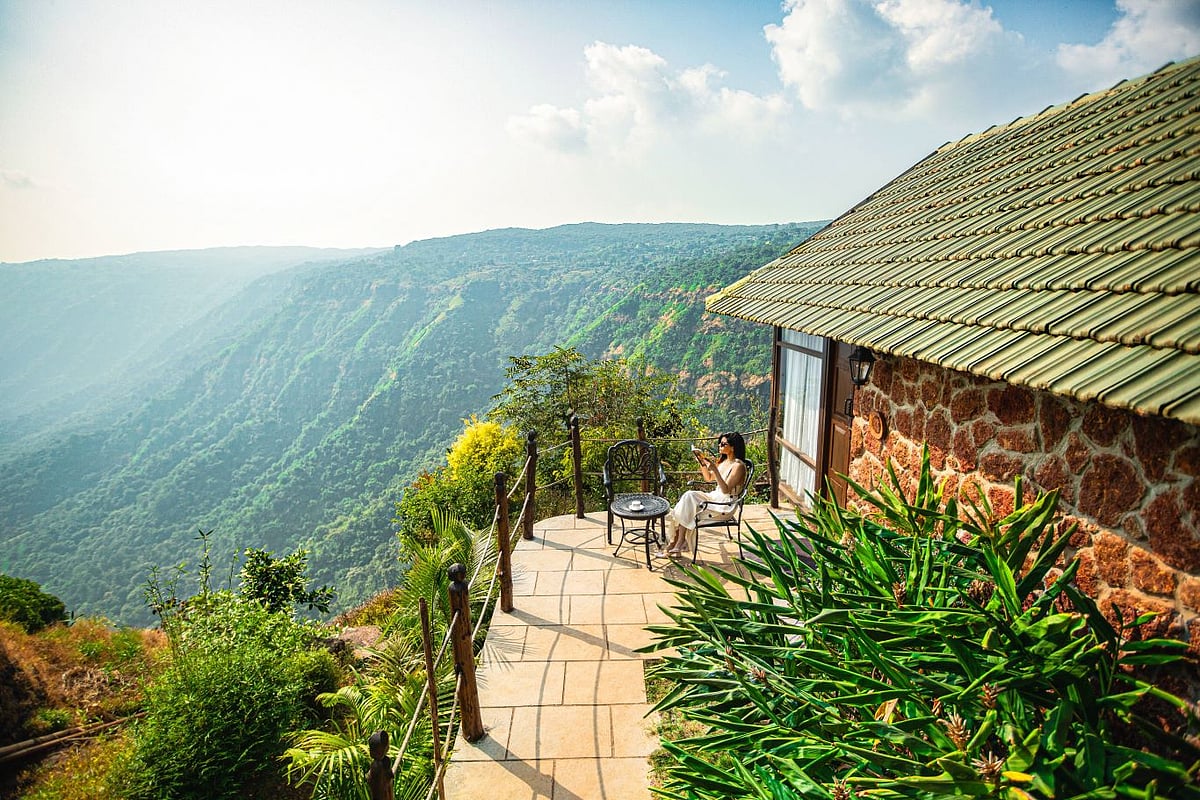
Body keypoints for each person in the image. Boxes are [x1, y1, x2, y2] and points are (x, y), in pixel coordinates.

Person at [659, 432, 747, 556]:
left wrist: (715, 470)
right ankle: (678, 542)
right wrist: (702, 463)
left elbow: (726, 490)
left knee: (688, 505)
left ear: (733, 447)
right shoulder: (724, 461)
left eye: (723, 444)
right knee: (688, 496)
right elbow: (708, 478)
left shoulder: (738, 466)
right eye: (719, 444)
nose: (719, 446)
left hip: (725, 504)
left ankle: (676, 543)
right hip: (715, 496)